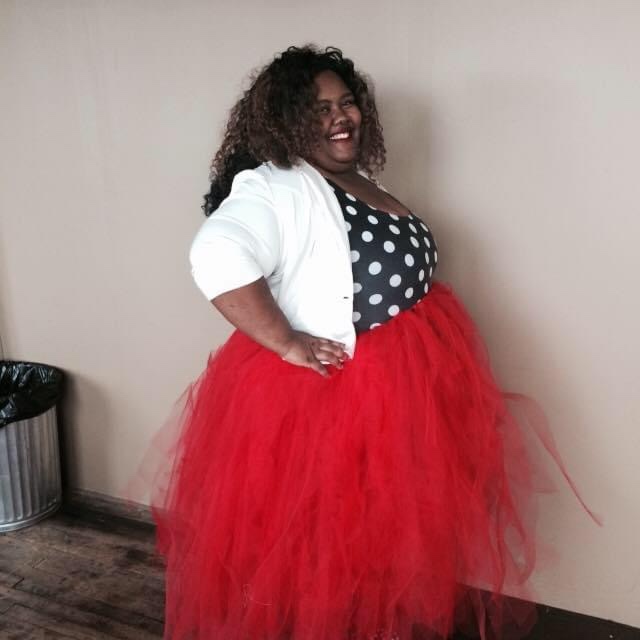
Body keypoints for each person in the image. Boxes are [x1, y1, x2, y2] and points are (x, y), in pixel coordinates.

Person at [152, 45, 598, 640]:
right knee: (328, 542)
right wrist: (285, 341)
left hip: (407, 380)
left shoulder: (353, 181)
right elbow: (215, 254)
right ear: (286, 122)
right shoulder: (278, 185)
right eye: (319, 109)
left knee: (384, 535)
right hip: (339, 399)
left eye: (347, 103)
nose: (341, 117)